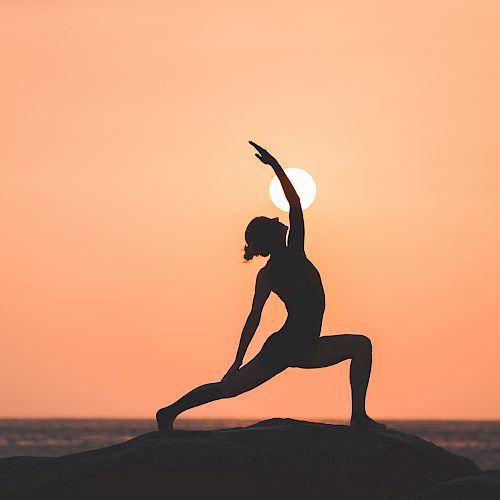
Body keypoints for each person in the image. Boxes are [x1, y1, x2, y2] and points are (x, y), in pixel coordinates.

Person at [156, 141, 386, 431]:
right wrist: (276, 165)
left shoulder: (270, 272)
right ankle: (169, 412)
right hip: (291, 346)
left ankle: (358, 416)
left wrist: (238, 360)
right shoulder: (293, 256)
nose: (278, 219)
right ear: (271, 237)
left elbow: (254, 318)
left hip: (303, 346)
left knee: (361, 346)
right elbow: (294, 205)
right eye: (271, 220)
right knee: (230, 388)